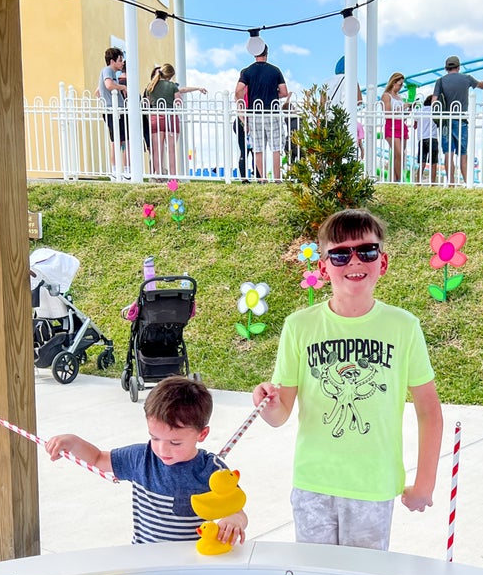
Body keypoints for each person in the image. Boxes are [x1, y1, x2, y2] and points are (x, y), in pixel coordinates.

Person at [250, 209, 443, 551]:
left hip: (373, 485)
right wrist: (269, 405)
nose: (354, 261)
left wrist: (424, 482)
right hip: (313, 484)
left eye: (366, 251)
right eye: (340, 254)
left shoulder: (404, 327)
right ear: (323, 268)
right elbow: (280, 415)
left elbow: (428, 409)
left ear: (382, 262)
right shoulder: (299, 326)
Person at [44, 376, 247, 545]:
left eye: (175, 442)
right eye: (155, 437)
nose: (161, 448)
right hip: (144, 558)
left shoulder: (213, 471)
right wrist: (72, 442)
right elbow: (98, 458)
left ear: (201, 435)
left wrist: (233, 519)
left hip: (192, 562)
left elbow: (238, 509)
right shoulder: (140, 458)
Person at [432, 56, 483, 185]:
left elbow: (434, 102)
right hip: (461, 119)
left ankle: (451, 183)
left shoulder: (440, 81)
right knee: (463, 153)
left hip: (446, 121)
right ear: (458, 67)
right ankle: (467, 182)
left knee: (448, 153)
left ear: (446, 67)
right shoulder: (467, 78)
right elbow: (482, 85)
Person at [235, 43, 289, 182]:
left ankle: (262, 179)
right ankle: (277, 179)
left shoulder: (247, 72)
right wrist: (274, 92)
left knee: (258, 148)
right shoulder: (275, 71)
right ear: (267, 53)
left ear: (254, 53)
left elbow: (238, 91)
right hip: (272, 113)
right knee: (276, 147)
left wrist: (244, 97)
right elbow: (284, 92)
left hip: (255, 113)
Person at [143, 63, 206, 178]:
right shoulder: (172, 86)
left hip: (155, 118)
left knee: (157, 150)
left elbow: (147, 103)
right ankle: (173, 178)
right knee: (171, 149)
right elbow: (178, 101)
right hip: (170, 119)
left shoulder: (150, 86)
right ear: (171, 75)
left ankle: (158, 176)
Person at [99, 47, 129, 173]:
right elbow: (109, 85)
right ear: (112, 61)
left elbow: (98, 91)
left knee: (120, 139)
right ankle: (118, 171)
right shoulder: (108, 71)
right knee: (117, 140)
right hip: (113, 111)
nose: (122, 63)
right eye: (120, 60)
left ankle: (119, 170)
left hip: (115, 110)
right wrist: (122, 87)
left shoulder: (110, 74)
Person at [381, 72, 410, 183]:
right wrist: (402, 107)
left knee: (399, 155)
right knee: (399, 153)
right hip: (391, 126)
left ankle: (394, 179)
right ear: (394, 82)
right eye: (400, 84)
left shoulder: (399, 97)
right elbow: (387, 113)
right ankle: (399, 179)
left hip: (401, 125)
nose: (401, 87)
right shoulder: (386, 96)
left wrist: (408, 110)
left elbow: (401, 115)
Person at [411, 95, 440, 185]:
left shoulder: (420, 111)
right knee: (433, 163)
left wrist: (413, 105)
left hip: (422, 139)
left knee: (422, 162)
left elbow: (413, 116)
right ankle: (433, 184)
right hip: (433, 138)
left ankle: (418, 183)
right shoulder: (435, 111)